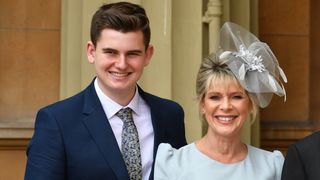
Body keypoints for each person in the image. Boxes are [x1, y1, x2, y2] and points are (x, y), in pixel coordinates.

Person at [24, 2, 187, 180]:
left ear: (147, 55)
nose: (122, 64)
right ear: (91, 52)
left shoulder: (170, 115)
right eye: (111, 52)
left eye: (132, 53)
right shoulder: (56, 122)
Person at [154, 22, 288, 180]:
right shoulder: (174, 163)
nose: (225, 106)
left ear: (250, 104)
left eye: (236, 97)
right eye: (215, 97)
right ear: (203, 104)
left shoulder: (272, 165)